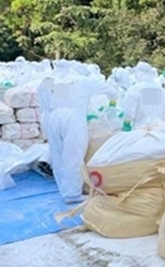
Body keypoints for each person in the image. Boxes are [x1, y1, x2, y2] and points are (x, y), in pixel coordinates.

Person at [37, 60, 118, 203]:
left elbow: (43, 103)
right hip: (73, 119)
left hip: (52, 118)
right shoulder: (83, 81)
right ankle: (72, 194)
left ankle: (64, 189)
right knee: (73, 155)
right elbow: (111, 91)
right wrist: (111, 105)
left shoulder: (49, 82)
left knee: (58, 154)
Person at [120, 61, 165, 130]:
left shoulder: (135, 89)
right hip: (158, 130)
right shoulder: (160, 90)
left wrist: (126, 125)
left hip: (140, 131)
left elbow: (128, 113)